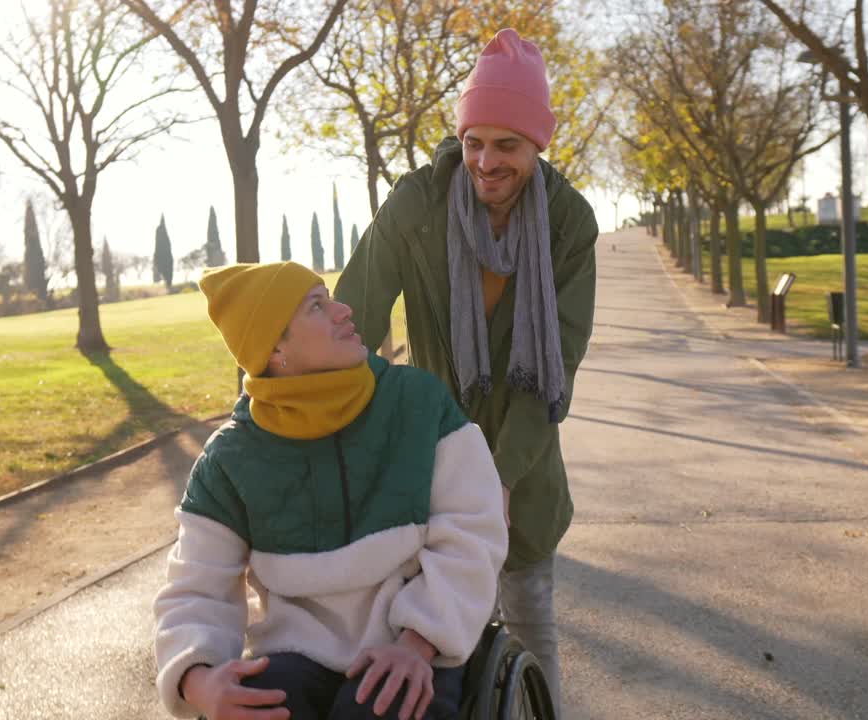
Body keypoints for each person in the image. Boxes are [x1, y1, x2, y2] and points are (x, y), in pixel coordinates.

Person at [334, 28, 598, 718]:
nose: (486, 161)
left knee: (530, 613)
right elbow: (352, 315)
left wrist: (501, 475)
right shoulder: (418, 203)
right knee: (422, 629)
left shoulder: (569, 222)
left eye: (507, 145)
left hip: (525, 460)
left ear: (538, 145)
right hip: (427, 450)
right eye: (474, 141)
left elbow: (554, 369)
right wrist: (350, 421)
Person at [153, 262, 508, 720]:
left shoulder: (419, 404)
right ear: (274, 347)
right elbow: (195, 587)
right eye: (318, 306)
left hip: (415, 640)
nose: (345, 311)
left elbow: (472, 531)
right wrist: (199, 681)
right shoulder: (229, 458)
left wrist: (419, 642)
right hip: (295, 654)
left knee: (375, 706)